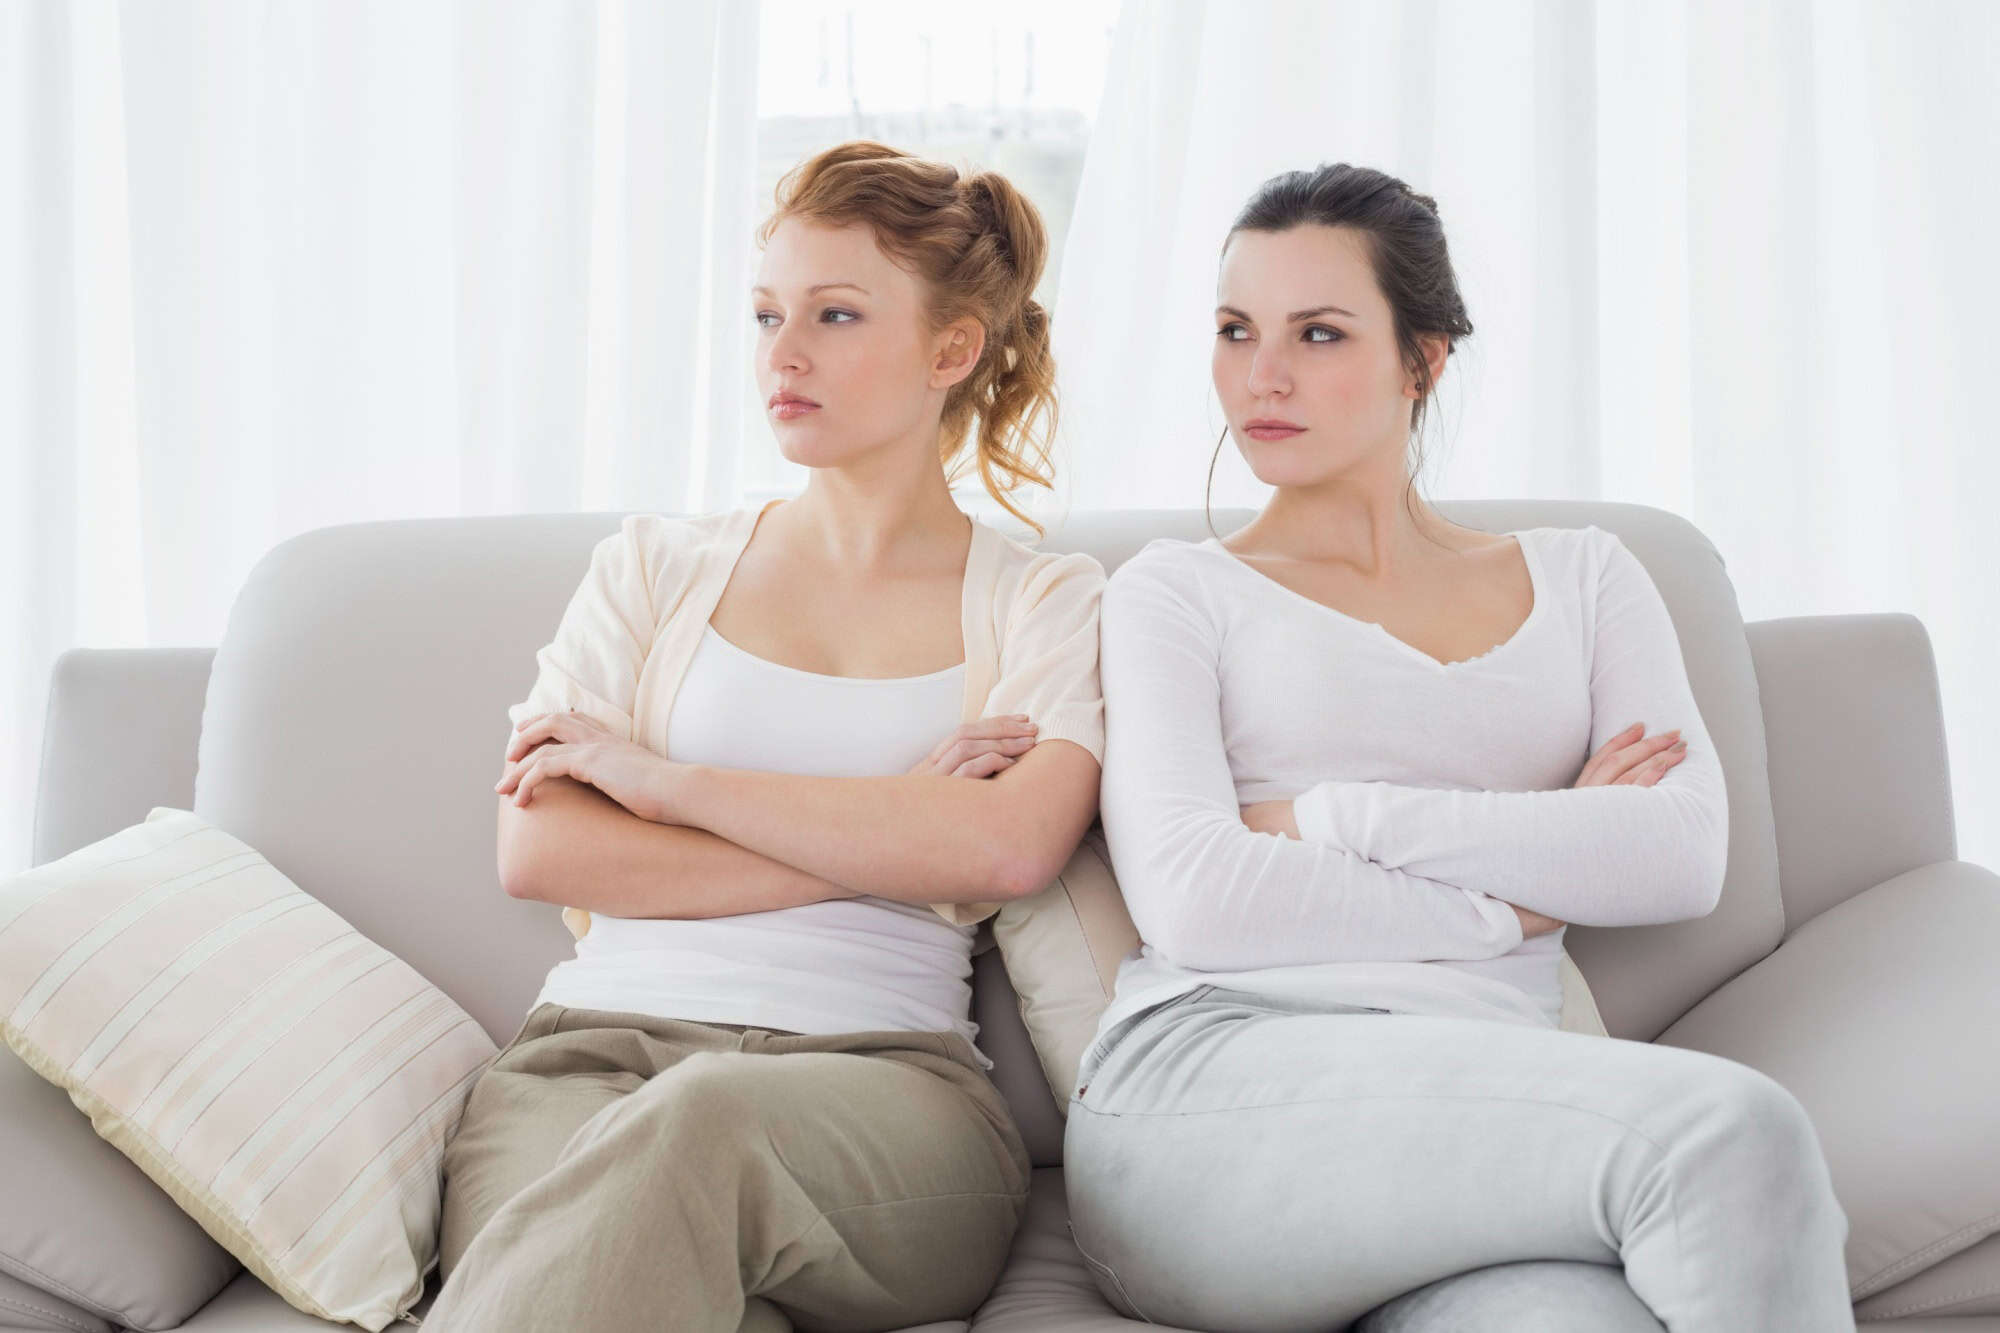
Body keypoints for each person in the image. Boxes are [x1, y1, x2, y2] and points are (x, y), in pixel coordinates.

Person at [1060, 163, 1856, 1333]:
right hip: (1214, 1095)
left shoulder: (1586, 576)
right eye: (1234, 331)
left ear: (1421, 359)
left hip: (1484, 1116)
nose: (1259, 376)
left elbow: (1676, 856)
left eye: (1317, 333)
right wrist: (1521, 897)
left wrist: (1331, 815)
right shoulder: (1172, 593)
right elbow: (1198, 899)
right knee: (1731, 1131)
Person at [423, 141, 1106, 1333]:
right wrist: (894, 832)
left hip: (886, 1091)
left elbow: (1004, 852)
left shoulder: (1045, 603)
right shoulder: (651, 568)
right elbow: (542, 853)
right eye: (764, 313)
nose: (780, 355)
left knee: (705, 1120)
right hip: (585, 1064)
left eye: (835, 314)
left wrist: (663, 783)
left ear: (951, 349)